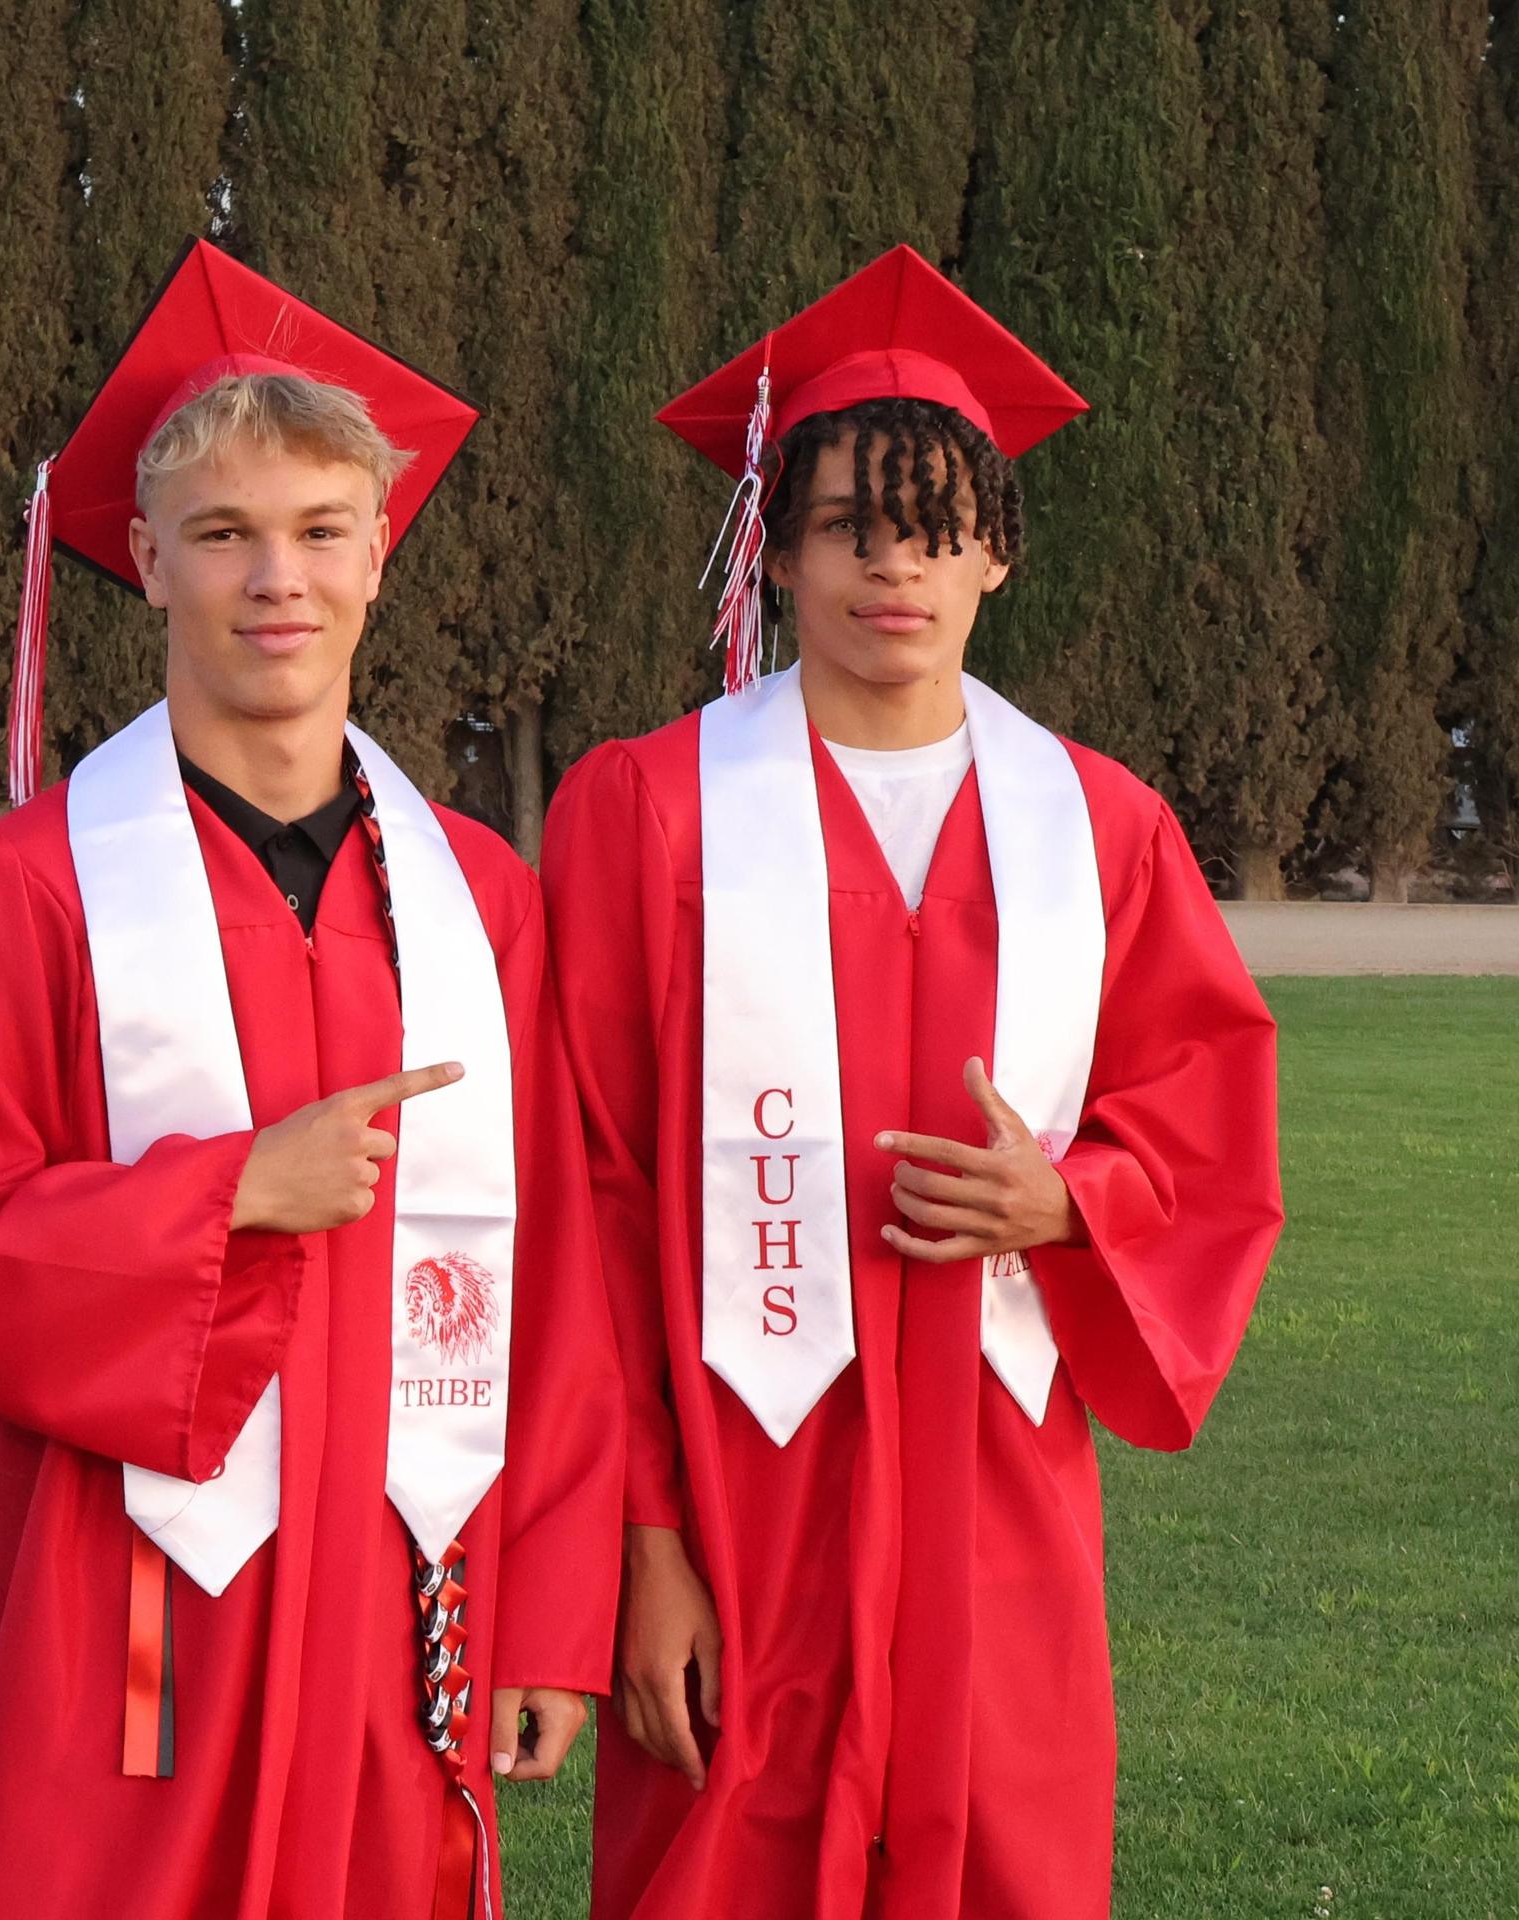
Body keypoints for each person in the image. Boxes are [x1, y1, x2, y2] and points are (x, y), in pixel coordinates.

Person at [0, 238, 621, 1920]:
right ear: (144, 561)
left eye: (321, 531)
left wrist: (550, 1608)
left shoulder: (478, 895)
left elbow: (559, 1273)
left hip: (413, 1589)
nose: (280, 579)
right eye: (226, 536)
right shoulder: (14, 890)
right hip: (127, 1605)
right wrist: (224, 1193)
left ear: (380, 555)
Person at [542, 244, 1284, 1919]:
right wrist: (639, 1547)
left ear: (998, 558)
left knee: (1006, 1862)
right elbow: (592, 1187)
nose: (897, 569)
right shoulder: (646, 813)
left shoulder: (1099, 830)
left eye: (939, 528)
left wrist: (1072, 1200)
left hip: (996, 1497)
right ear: (779, 552)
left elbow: (1205, 1134)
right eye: (849, 527)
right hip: (739, 1493)